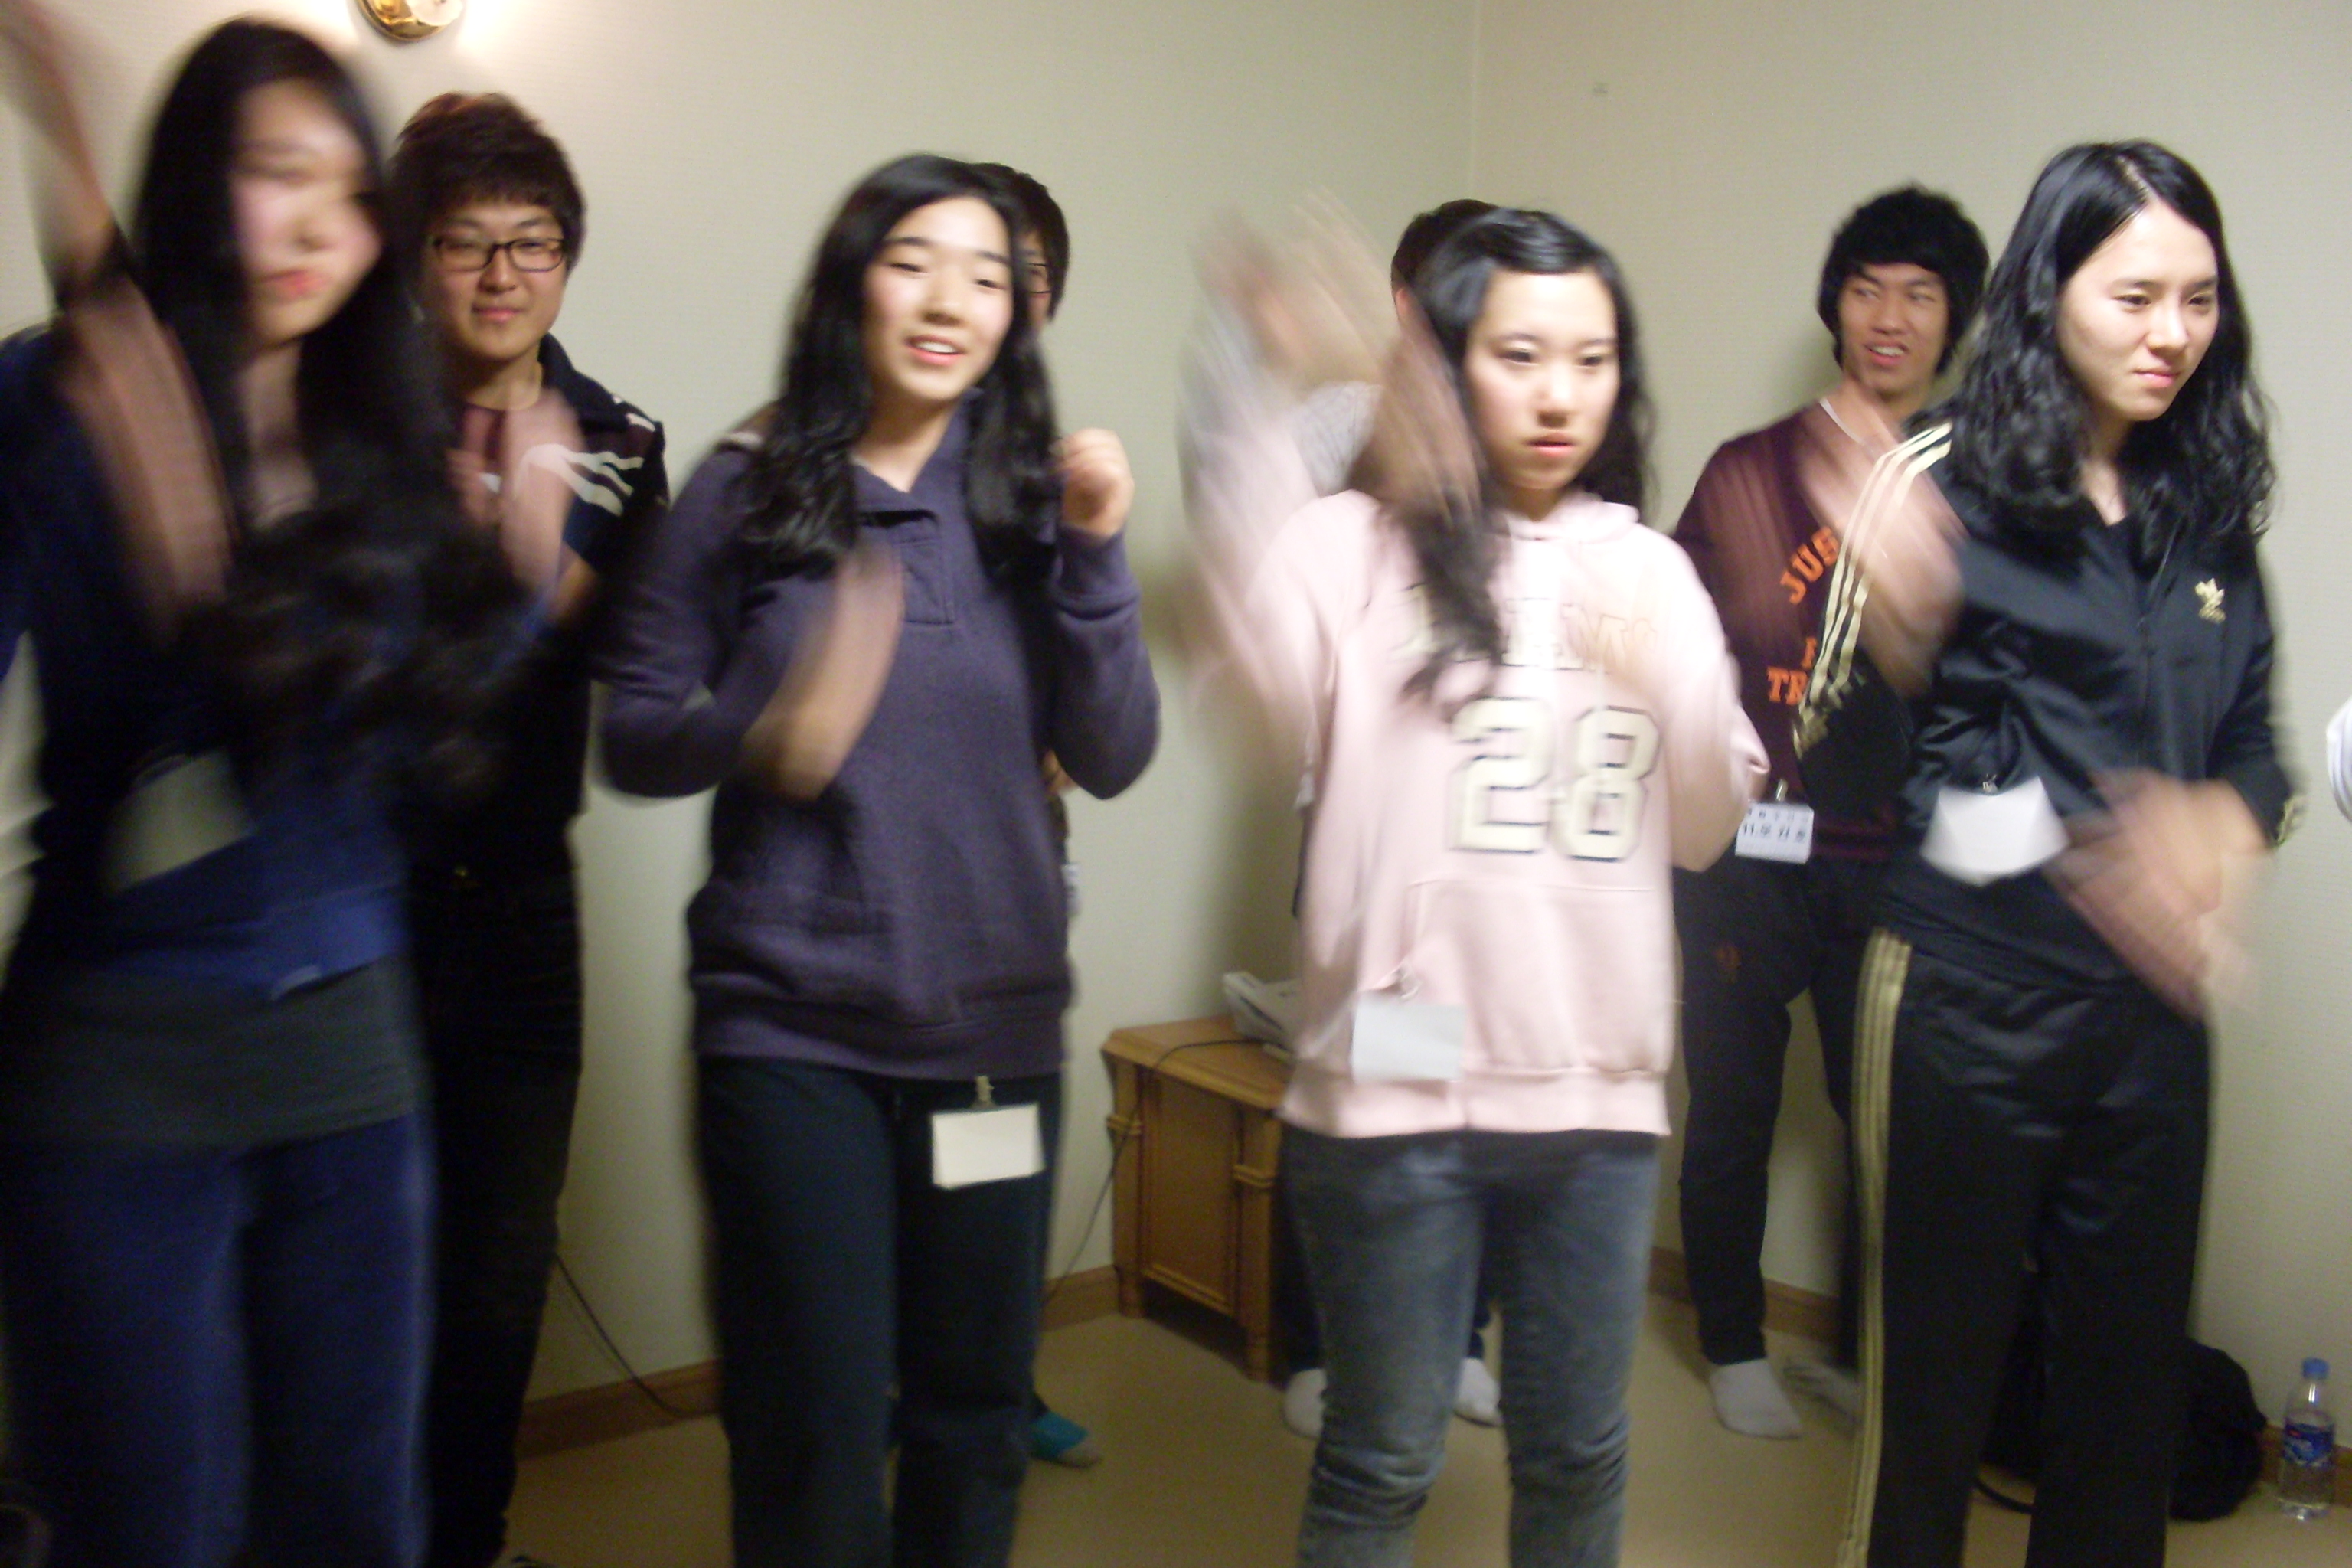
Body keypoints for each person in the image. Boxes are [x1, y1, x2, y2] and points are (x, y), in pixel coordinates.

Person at [0, 11, 524, 1565]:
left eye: (346, 192)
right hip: (119, 1057)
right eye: (270, 172)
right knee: (146, 1528)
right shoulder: (63, 395)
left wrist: (494, 599)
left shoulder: (386, 437)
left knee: (355, 1520)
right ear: (190, 180)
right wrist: (125, 516)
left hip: (351, 1060)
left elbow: (400, 766)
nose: (313, 227)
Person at [597, 153, 1158, 1567]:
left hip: (992, 1042)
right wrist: (766, 723)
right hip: (794, 1036)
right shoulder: (746, 486)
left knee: (974, 1414)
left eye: (988, 276)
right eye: (913, 262)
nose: (950, 300)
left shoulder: (1035, 501)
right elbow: (636, 737)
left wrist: (1098, 553)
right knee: (816, 1422)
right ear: (851, 283)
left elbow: (1113, 753)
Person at [1187, 207, 1763, 1567]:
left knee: (1577, 1454)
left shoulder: (1650, 571)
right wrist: (1260, 389)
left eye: (1591, 359)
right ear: (1443, 366)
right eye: (1519, 355)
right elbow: (1257, 705)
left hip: (1593, 1094)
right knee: (1381, 1457)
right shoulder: (1346, 546)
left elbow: (1703, 829)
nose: (1560, 394)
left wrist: (1665, 680)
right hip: (1398, 1085)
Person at [1799, 142, 2292, 1567]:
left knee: (2125, 1413)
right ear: (2046, 294)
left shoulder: (2207, 500)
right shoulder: (1940, 476)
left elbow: (2255, 749)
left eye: (2199, 298)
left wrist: (2224, 823)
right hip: (1964, 1006)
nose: (2172, 333)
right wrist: (1899, 649)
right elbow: (1843, 769)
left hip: (2153, 1025)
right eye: (2135, 296)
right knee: (1932, 1406)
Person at [387, 93, 668, 1568]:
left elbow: (642, 671)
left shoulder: (622, 442)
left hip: (521, 910)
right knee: (354, 1268)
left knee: (500, 1276)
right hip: (357, 907)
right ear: (413, 256)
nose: (502, 275)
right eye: (466, 243)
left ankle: (467, 1543)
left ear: (568, 258)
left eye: (534, 243)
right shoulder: (351, 423)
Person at [1668, 187, 1987, 1439]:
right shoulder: (1752, 468)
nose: (1889, 316)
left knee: (1890, 1128)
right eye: (1866, 288)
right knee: (1732, 1109)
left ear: (1953, 318)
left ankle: (1864, 1354)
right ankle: (1733, 1344)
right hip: (1747, 853)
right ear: (1835, 306)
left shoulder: (1979, 485)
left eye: (1919, 293)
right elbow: (1670, 640)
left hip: (1900, 864)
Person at [1249, 195, 1510, 1443]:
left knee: (1469, 1090)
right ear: (1406, 303)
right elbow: (1262, 609)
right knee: (1361, 1090)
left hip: (1489, 832)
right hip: (1363, 832)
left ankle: (1454, 1337)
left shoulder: (1521, 423)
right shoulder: (1332, 426)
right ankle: (1324, 1346)